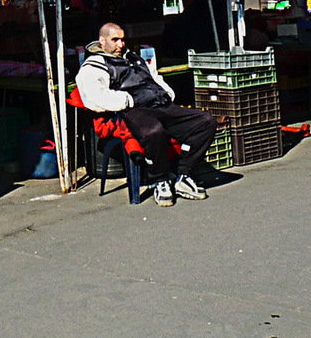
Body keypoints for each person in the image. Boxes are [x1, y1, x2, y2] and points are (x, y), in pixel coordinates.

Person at [75, 21, 217, 206]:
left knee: (206, 122)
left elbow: (154, 77)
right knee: (153, 131)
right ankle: (161, 180)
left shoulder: (133, 57)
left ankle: (184, 175)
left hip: (161, 104)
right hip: (135, 109)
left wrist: (167, 94)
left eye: (122, 40)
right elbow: (93, 96)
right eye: (115, 40)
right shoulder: (95, 64)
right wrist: (126, 101)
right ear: (102, 41)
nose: (120, 44)